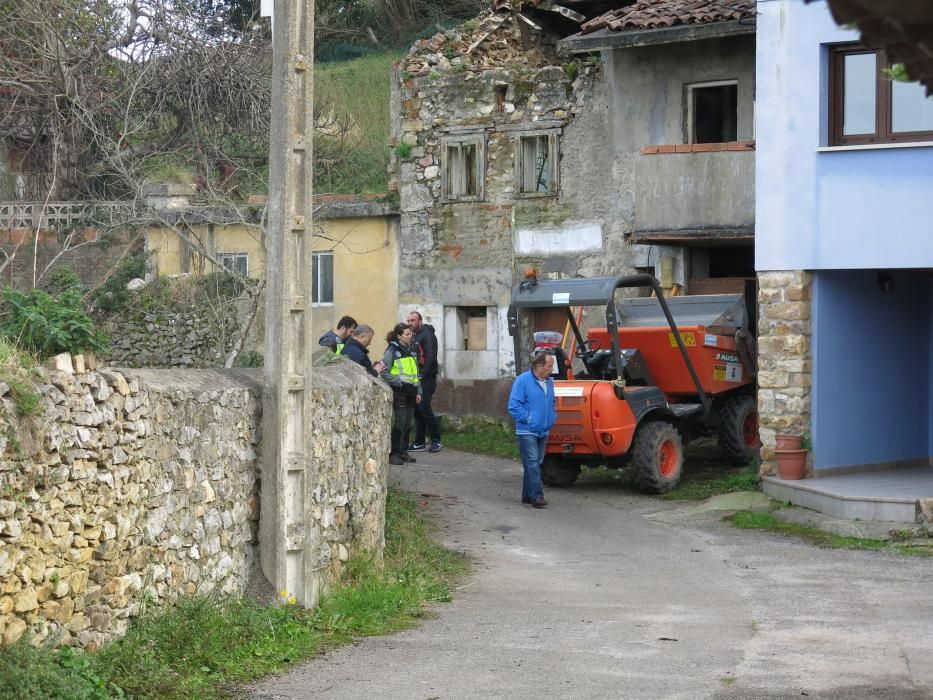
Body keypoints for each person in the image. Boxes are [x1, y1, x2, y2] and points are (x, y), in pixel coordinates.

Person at [507, 351, 557, 509]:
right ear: (539, 366)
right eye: (549, 366)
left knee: (534, 463)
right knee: (533, 463)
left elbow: (552, 402)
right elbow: (513, 406)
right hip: (527, 431)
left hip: (543, 430)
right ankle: (537, 496)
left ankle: (527, 495)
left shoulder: (549, 382)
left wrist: (552, 417)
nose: (552, 369)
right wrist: (529, 419)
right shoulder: (522, 381)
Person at [380, 323, 422, 466]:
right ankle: (394, 454)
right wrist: (398, 382)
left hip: (411, 392)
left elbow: (416, 373)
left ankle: (404, 451)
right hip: (400, 392)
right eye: (407, 334)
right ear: (399, 336)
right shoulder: (391, 350)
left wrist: (419, 391)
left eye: (411, 334)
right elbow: (384, 371)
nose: (410, 336)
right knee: (399, 423)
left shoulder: (412, 350)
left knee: (408, 423)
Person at [406, 310, 442, 453]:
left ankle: (436, 439)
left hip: (426, 379)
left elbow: (431, 357)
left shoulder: (427, 335)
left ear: (420, 321)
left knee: (424, 409)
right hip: (415, 379)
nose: (410, 323)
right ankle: (419, 441)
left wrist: (422, 375)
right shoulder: (413, 336)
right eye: (408, 321)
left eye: (413, 320)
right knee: (417, 410)